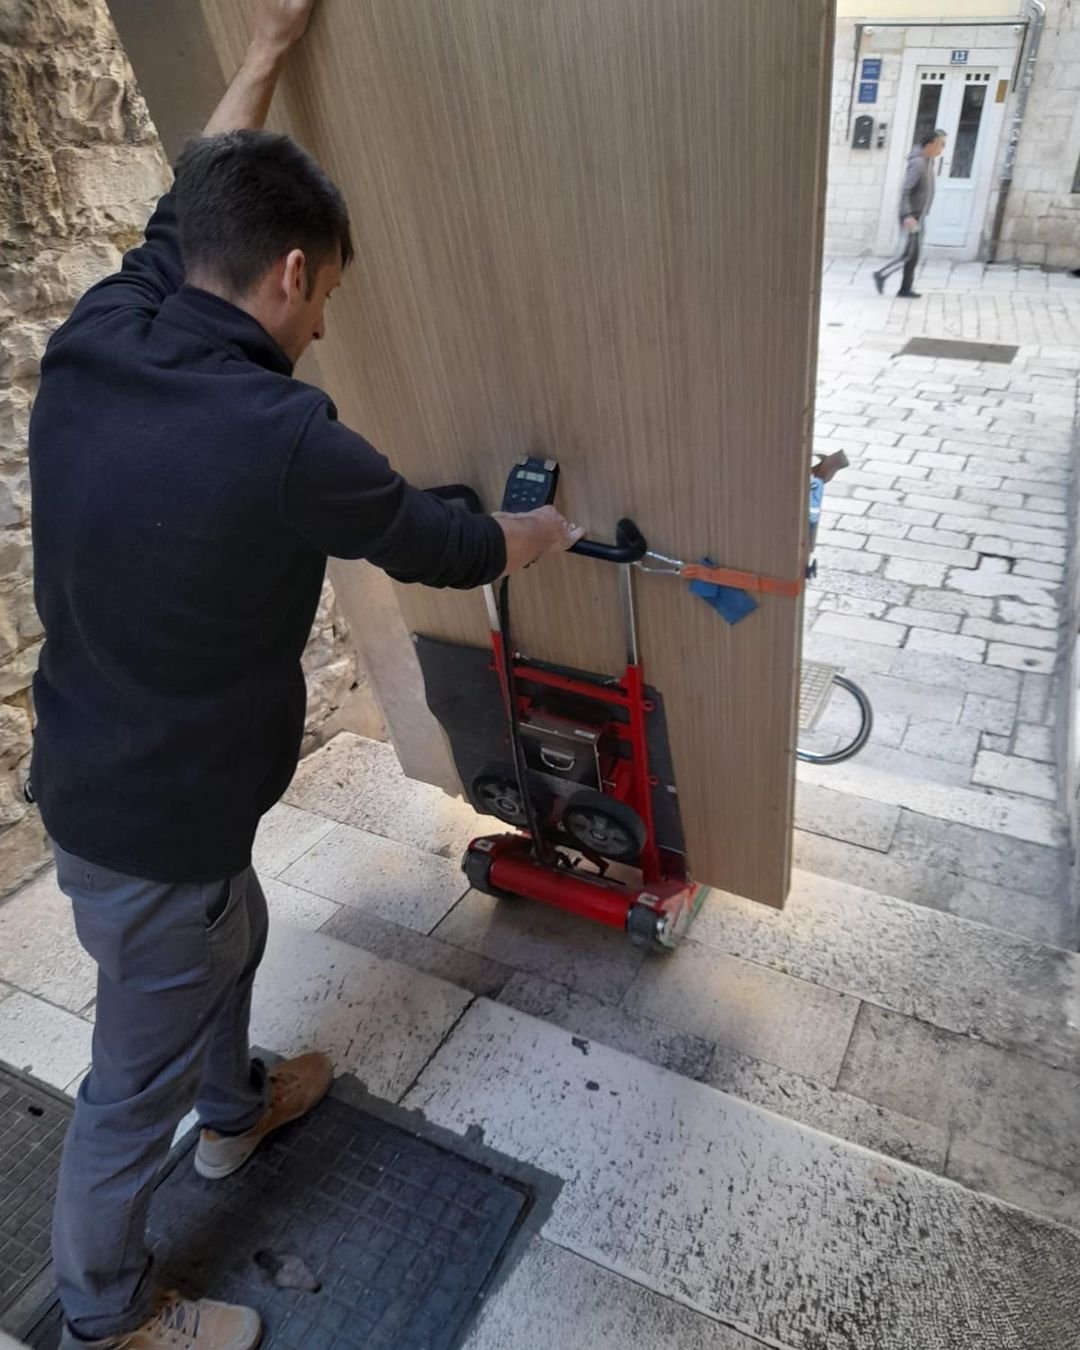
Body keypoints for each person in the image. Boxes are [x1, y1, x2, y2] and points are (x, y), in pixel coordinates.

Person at [28, 3, 583, 1347]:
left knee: (236, 937)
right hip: (153, 830)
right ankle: (105, 1319)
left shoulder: (108, 325)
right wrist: (547, 530)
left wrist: (268, 57)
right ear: (287, 273)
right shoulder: (284, 433)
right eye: (328, 290)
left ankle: (234, 1117)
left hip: (119, 788)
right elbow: (446, 544)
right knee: (124, 1085)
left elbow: (190, 191)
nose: (326, 324)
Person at [873, 129, 947, 300]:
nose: (942, 149)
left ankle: (905, 288)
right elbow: (906, 191)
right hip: (912, 216)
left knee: (912, 255)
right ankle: (882, 276)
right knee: (909, 254)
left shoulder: (928, 162)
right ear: (929, 145)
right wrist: (907, 215)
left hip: (919, 216)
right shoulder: (918, 164)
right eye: (940, 145)